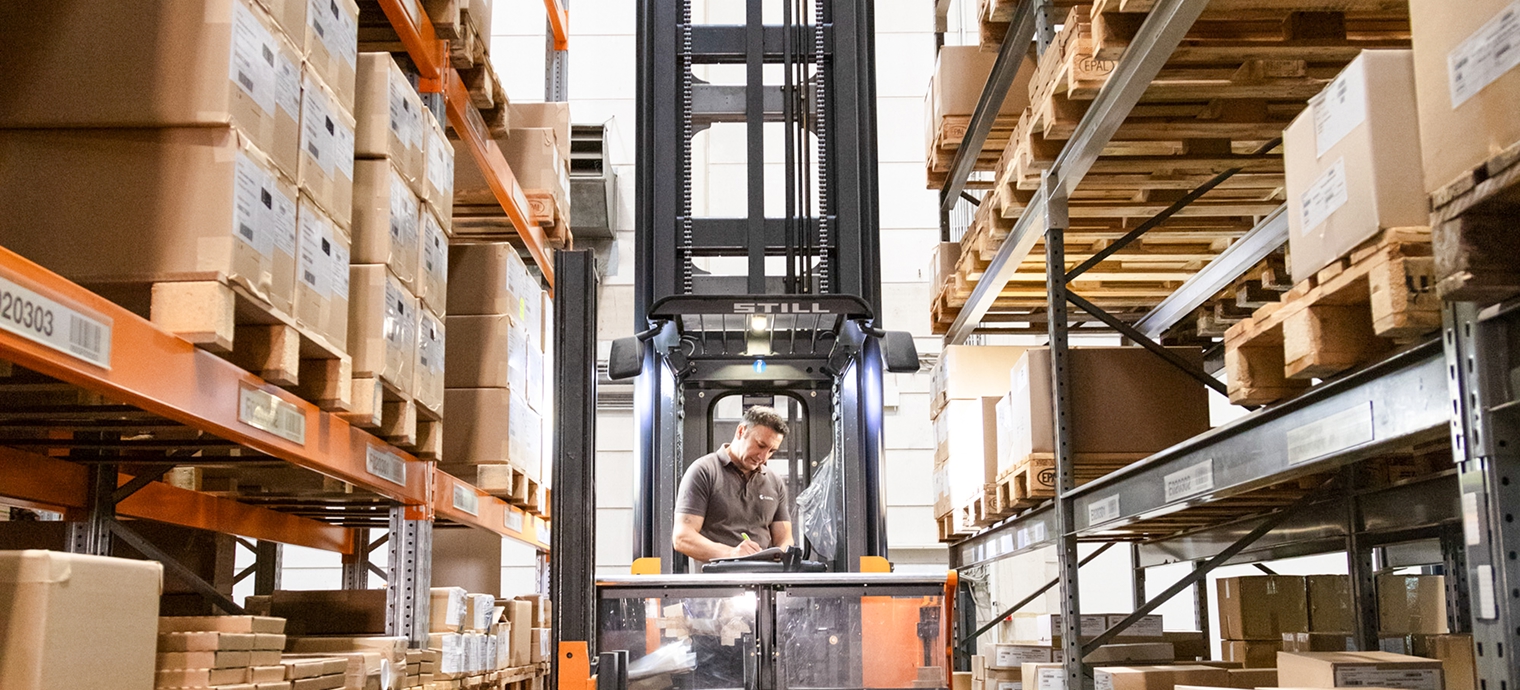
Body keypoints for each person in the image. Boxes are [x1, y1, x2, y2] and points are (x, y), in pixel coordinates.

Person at [672, 405, 795, 564]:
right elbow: (682, 538)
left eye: (772, 451)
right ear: (741, 431)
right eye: (761, 445)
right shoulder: (704, 471)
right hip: (717, 582)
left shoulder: (774, 481)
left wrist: (781, 556)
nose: (764, 457)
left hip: (765, 581)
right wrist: (733, 553)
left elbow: (785, 539)